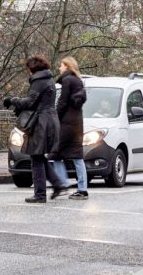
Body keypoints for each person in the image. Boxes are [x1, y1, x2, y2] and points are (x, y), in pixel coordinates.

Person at [4, 54, 65, 204]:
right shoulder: (49, 79)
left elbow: (30, 102)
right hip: (50, 120)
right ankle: (57, 184)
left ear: (33, 67)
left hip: (41, 123)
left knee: (35, 157)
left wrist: (12, 100)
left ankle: (40, 194)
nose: (28, 71)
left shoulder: (39, 81)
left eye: (28, 68)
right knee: (39, 157)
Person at [54, 57, 89, 200]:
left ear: (67, 66)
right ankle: (82, 189)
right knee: (77, 156)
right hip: (77, 123)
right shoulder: (78, 81)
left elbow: (62, 102)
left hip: (66, 123)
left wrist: (55, 117)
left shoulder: (67, 80)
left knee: (55, 154)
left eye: (61, 65)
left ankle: (62, 184)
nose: (59, 68)